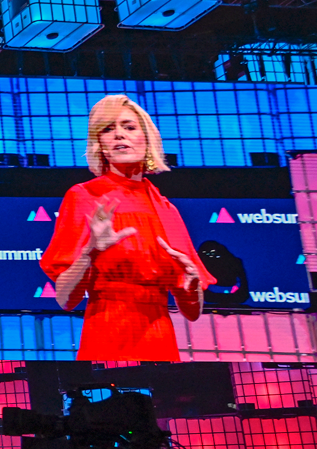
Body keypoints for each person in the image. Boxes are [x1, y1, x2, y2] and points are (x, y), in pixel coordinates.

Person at [40, 94, 213, 362]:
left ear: (146, 139)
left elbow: (192, 313)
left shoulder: (166, 209)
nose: (119, 135)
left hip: (160, 338)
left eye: (129, 127)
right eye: (108, 129)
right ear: (100, 145)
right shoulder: (83, 196)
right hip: (106, 332)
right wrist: (89, 252)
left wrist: (191, 288)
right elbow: (65, 300)